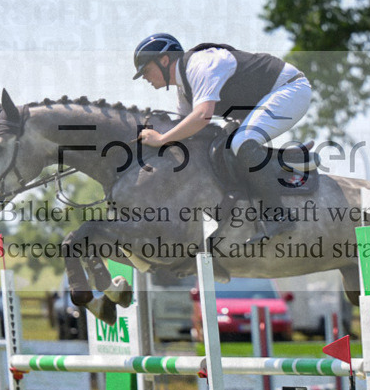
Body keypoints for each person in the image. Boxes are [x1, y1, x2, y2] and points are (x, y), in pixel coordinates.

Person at [132, 33, 312, 241]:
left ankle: (279, 216)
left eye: (146, 70)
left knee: (241, 141)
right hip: (266, 99)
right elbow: (186, 130)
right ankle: (278, 164)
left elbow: (202, 117)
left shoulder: (200, 65)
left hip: (290, 89)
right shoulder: (184, 89)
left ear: (164, 60)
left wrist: (161, 139)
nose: (145, 77)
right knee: (225, 144)